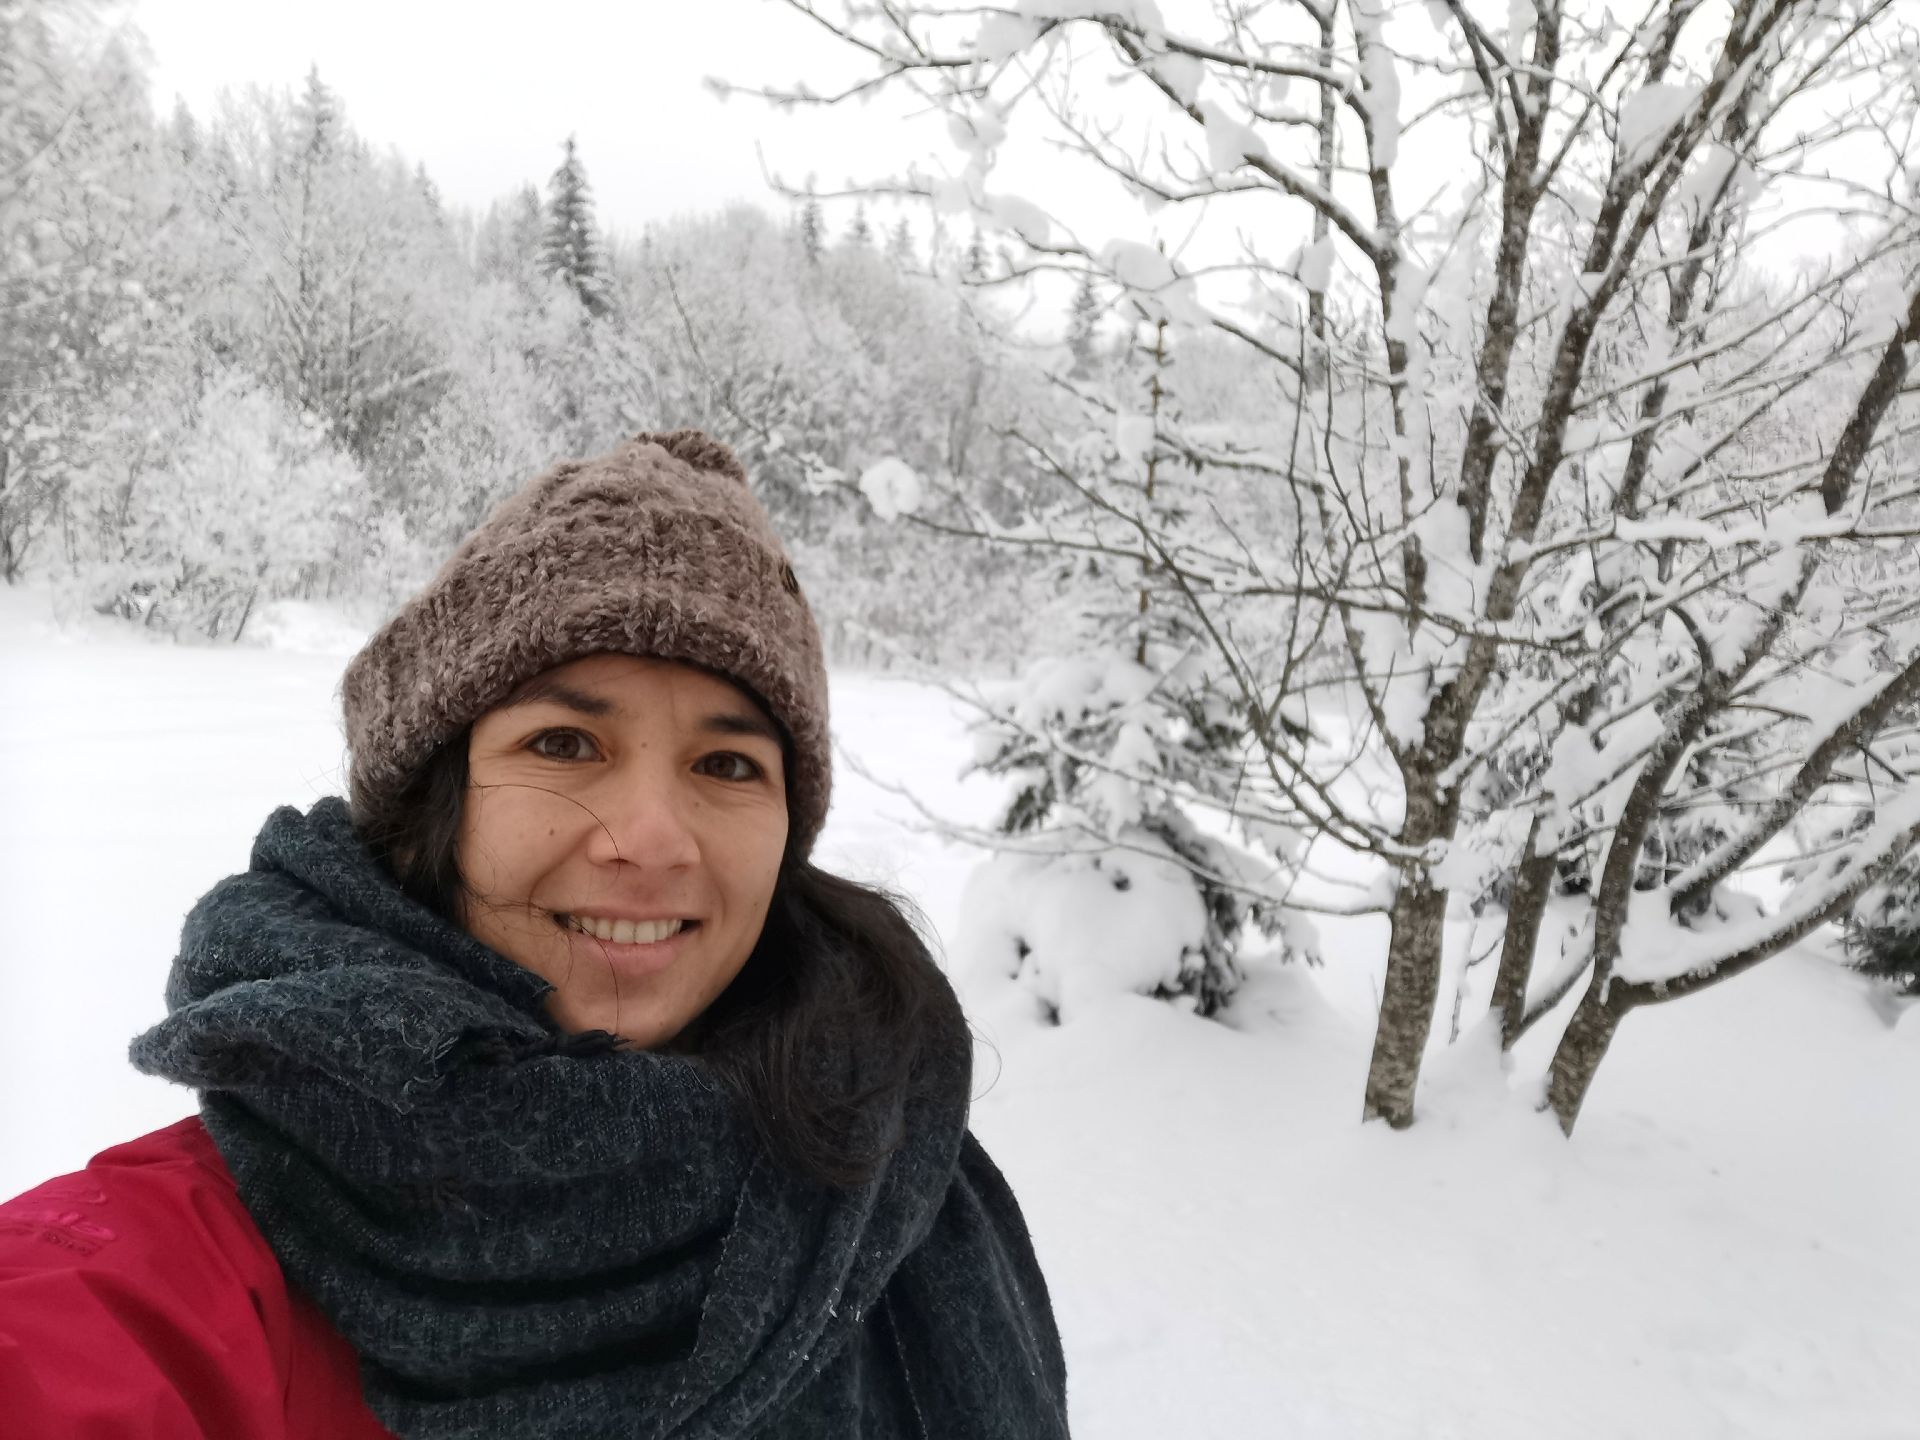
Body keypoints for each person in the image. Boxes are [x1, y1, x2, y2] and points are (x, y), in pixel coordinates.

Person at [0, 430, 1071, 1438]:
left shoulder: (895, 1177)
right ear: (436, 806)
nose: (651, 839)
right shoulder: (173, 1280)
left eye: (728, 764)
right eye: (564, 742)